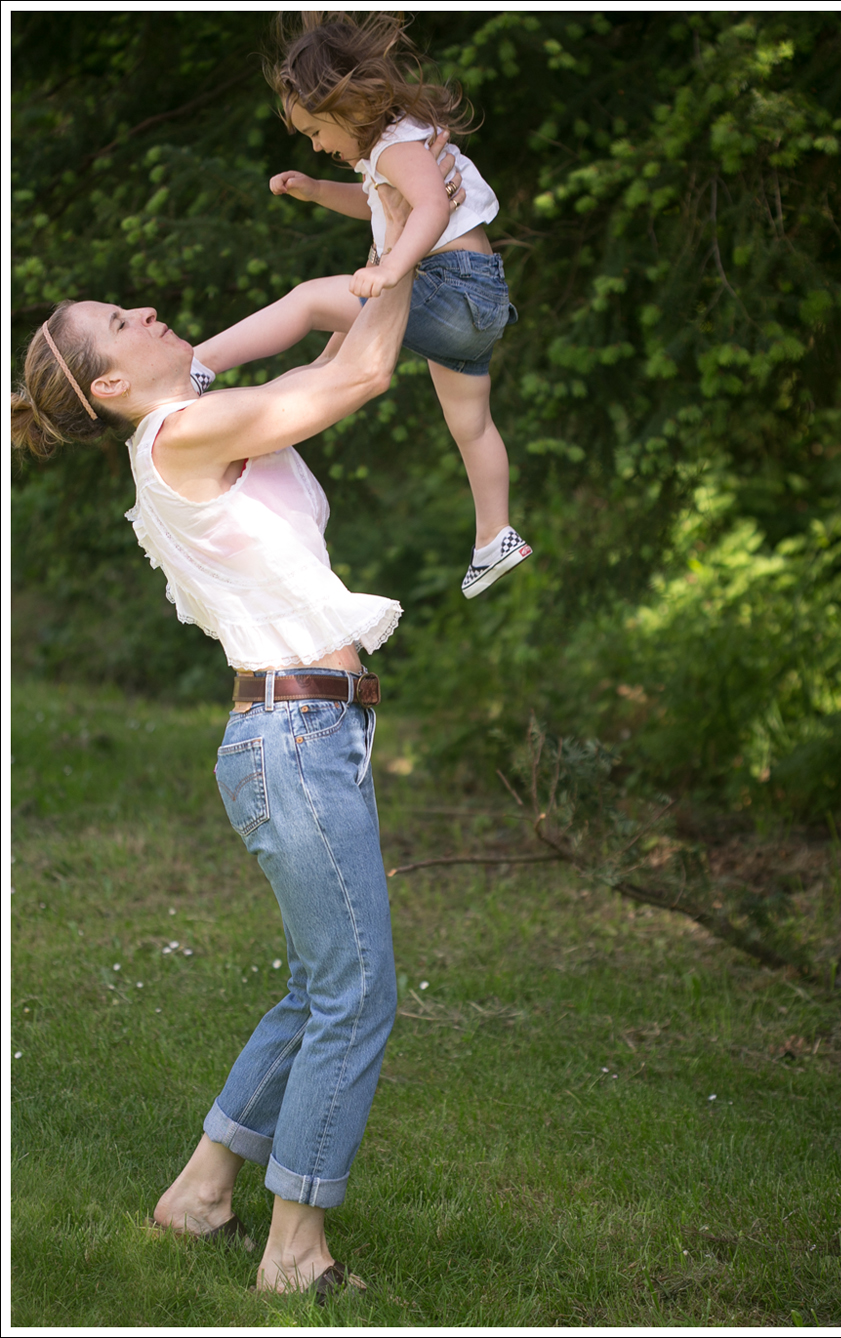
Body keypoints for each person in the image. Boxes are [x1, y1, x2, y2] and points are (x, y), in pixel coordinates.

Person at [10, 147, 463, 1302]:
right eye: (122, 319)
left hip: (310, 739)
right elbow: (355, 378)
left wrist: (392, 232)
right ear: (110, 386)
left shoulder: (198, 411)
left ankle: (201, 1193)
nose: (147, 308)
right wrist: (418, 230)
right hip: (293, 743)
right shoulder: (176, 440)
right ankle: (293, 1251)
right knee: (357, 994)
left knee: (325, 986)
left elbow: (324, 316)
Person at [254, 11, 531, 597]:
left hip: (448, 282)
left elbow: (430, 207)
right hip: (473, 302)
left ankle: (201, 363)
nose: (318, 144)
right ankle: (494, 536)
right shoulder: (389, 149)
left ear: (347, 107)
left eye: (315, 132)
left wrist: (392, 269)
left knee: (310, 304)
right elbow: (376, 205)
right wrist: (315, 188)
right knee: (472, 427)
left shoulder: (395, 145)